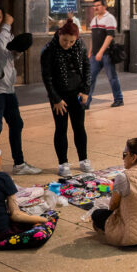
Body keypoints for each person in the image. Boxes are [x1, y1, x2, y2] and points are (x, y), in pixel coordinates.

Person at [0, 3, 41, 175]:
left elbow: (8, 55)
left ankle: (19, 164)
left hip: (7, 89)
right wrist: (7, 25)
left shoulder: (5, 32)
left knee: (16, 124)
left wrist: (17, 50)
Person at [40, 19, 92, 177]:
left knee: (79, 127)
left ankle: (84, 159)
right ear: (59, 34)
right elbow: (47, 77)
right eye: (64, 40)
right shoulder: (49, 49)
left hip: (77, 93)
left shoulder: (80, 45)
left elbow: (87, 68)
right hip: (59, 96)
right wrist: (55, 98)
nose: (67, 44)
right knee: (61, 128)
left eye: (71, 41)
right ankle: (63, 162)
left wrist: (85, 91)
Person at [85, 0, 123, 109]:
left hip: (106, 54)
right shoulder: (94, 20)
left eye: (98, 5)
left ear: (104, 6)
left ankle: (119, 99)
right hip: (95, 55)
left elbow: (109, 37)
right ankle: (86, 102)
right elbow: (93, 38)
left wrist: (101, 52)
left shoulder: (109, 18)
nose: (96, 8)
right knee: (90, 78)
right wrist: (90, 52)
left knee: (112, 77)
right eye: (95, 6)